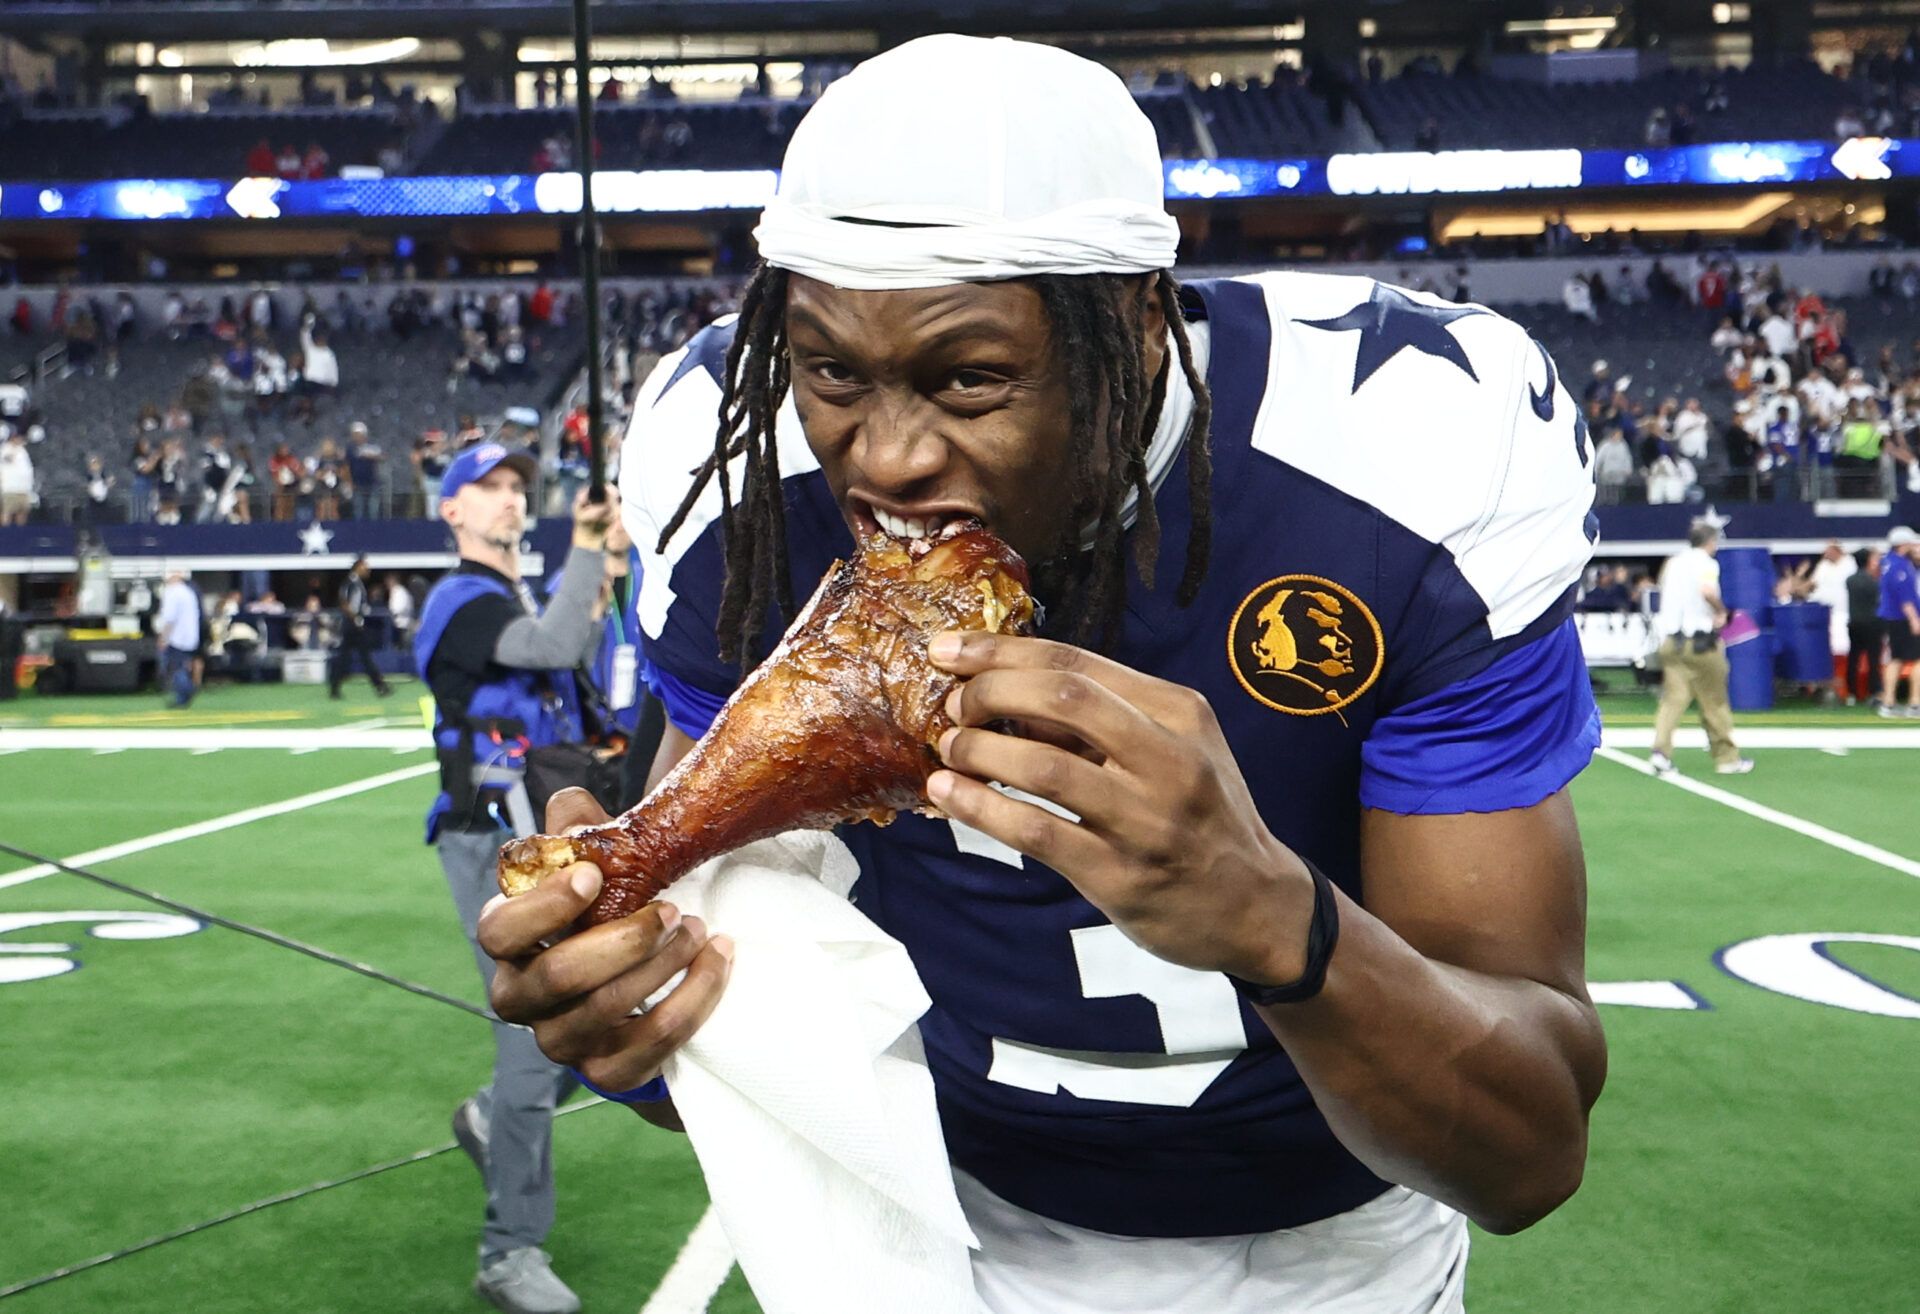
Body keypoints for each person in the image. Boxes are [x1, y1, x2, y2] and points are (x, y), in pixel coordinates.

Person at [476, 36, 1606, 1314]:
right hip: (925, 1212)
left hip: (1330, 1255)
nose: (888, 460)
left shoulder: (1405, 453)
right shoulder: (726, 465)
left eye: (971, 377)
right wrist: (632, 1009)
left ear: (1132, 323)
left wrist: (1275, 920)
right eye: (832, 369)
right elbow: (728, 995)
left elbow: (1527, 1151)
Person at [415, 442, 616, 1314]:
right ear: (451, 509)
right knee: (539, 1033)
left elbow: (579, 669)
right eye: (487, 487)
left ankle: (497, 1116)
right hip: (488, 838)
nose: (507, 499)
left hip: (537, 837)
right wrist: (586, 551)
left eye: (514, 488)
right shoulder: (457, 601)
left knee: (599, 1012)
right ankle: (508, 1252)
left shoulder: (506, 594)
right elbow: (553, 644)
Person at [1650, 521, 1753, 775]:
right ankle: (1727, 757)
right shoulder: (1707, 564)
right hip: (1701, 641)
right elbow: (1707, 590)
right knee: (1714, 701)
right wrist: (1721, 611)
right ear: (1711, 541)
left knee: (1673, 700)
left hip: (1671, 640)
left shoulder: (1673, 563)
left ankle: (1660, 753)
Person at [331, 555, 392, 700]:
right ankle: (379, 686)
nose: (368, 570)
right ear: (358, 566)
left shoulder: (357, 583)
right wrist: (355, 619)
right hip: (351, 626)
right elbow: (344, 602)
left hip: (355, 625)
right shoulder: (351, 583)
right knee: (351, 658)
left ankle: (379, 685)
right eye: (365, 566)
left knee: (359, 657)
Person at [1877, 526, 1920, 717]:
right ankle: (1915, 703)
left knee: (1896, 660)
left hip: (1893, 619)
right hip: (1902, 619)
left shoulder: (1888, 562)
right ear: (1903, 544)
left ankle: (1888, 702)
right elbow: (1906, 599)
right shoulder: (1900, 566)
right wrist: (1914, 620)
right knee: (1917, 660)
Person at [157, 570, 201, 709]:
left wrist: (164, 637)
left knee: (175, 668)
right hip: (190, 636)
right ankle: (184, 696)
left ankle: (186, 691)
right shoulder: (189, 592)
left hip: (177, 637)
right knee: (181, 666)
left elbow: (170, 618)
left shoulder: (173, 593)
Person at [1846, 547, 1883, 703]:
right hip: (1872, 624)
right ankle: (1874, 691)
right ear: (1868, 561)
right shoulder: (1873, 582)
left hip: (1854, 623)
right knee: (1873, 659)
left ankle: (1852, 692)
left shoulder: (1850, 580)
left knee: (1853, 658)